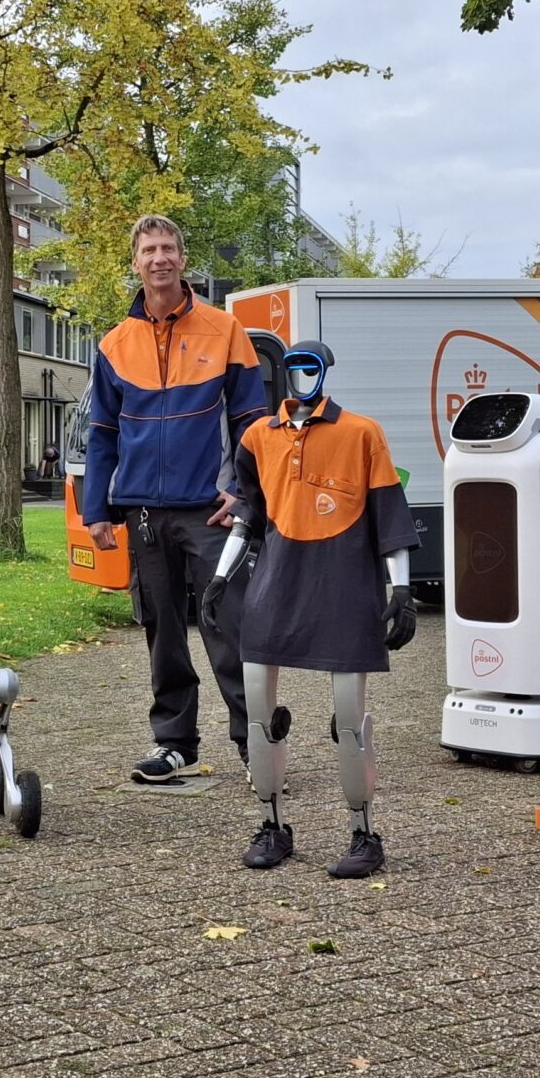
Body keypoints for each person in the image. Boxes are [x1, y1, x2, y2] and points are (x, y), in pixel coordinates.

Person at [199, 341, 419, 878]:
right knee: (257, 712)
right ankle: (272, 824)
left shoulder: (362, 433)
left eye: (310, 367)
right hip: (275, 589)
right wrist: (221, 578)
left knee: (350, 719)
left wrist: (401, 590)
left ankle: (364, 834)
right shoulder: (257, 438)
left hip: (345, 589)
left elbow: (389, 515)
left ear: (325, 371)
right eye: (293, 367)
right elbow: (249, 516)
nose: (300, 377)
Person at [80, 214, 269, 782]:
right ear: (135, 262)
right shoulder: (114, 344)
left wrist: (241, 492)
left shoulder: (225, 330)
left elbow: (251, 423)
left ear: (183, 260)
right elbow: (103, 433)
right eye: (149, 250)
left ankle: (252, 737)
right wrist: (97, 509)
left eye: (168, 249)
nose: (159, 258)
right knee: (162, 629)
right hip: (141, 511)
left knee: (228, 622)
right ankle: (175, 743)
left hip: (210, 510)